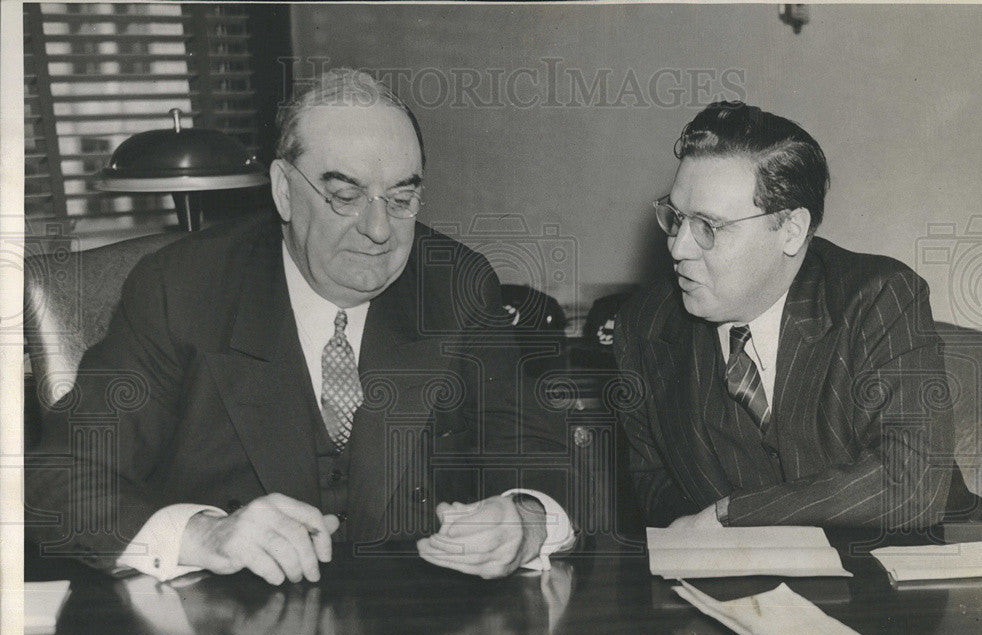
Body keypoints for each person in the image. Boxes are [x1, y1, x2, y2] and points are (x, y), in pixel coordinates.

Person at [26, 69, 577, 584]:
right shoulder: (183, 288)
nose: (380, 228)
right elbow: (58, 478)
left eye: (402, 198)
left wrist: (526, 519)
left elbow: (542, 453)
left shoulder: (454, 283)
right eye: (345, 196)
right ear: (284, 190)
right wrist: (205, 535)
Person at [614, 101, 982, 536]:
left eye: (708, 227)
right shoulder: (644, 326)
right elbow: (654, 484)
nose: (678, 248)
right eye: (675, 218)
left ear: (790, 230)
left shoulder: (879, 298)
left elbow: (910, 484)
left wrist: (732, 515)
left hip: (926, 570)